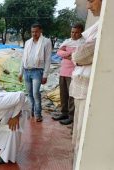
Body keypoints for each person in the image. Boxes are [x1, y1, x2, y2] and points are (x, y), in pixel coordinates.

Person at [69, 0, 102, 166]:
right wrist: (77, 57)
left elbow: (80, 55)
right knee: (78, 128)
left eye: (91, 1)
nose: (88, 6)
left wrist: (76, 57)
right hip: (80, 87)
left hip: (88, 89)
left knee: (83, 130)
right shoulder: (98, 25)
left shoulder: (105, 27)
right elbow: (78, 52)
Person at [52, 24, 85, 126]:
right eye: (72, 32)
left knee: (71, 95)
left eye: (76, 32)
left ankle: (71, 116)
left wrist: (70, 55)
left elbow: (79, 55)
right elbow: (58, 52)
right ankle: (64, 113)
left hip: (74, 72)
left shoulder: (83, 42)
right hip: (63, 71)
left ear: (81, 32)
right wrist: (69, 55)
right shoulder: (67, 41)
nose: (73, 34)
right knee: (63, 94)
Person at [18, 23, 52, 122]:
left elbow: (48, 59)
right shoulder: (28, 42)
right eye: (32, 31)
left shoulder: (46, 42)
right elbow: (23, 58)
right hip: (26, 71)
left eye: (36, 31)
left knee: (36, 93)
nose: (34, 33)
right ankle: (31, 111)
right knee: (29, 93)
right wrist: (20, 72)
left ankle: (38, 114)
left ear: (41, 31)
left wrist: (45, 75)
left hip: (37, 71)